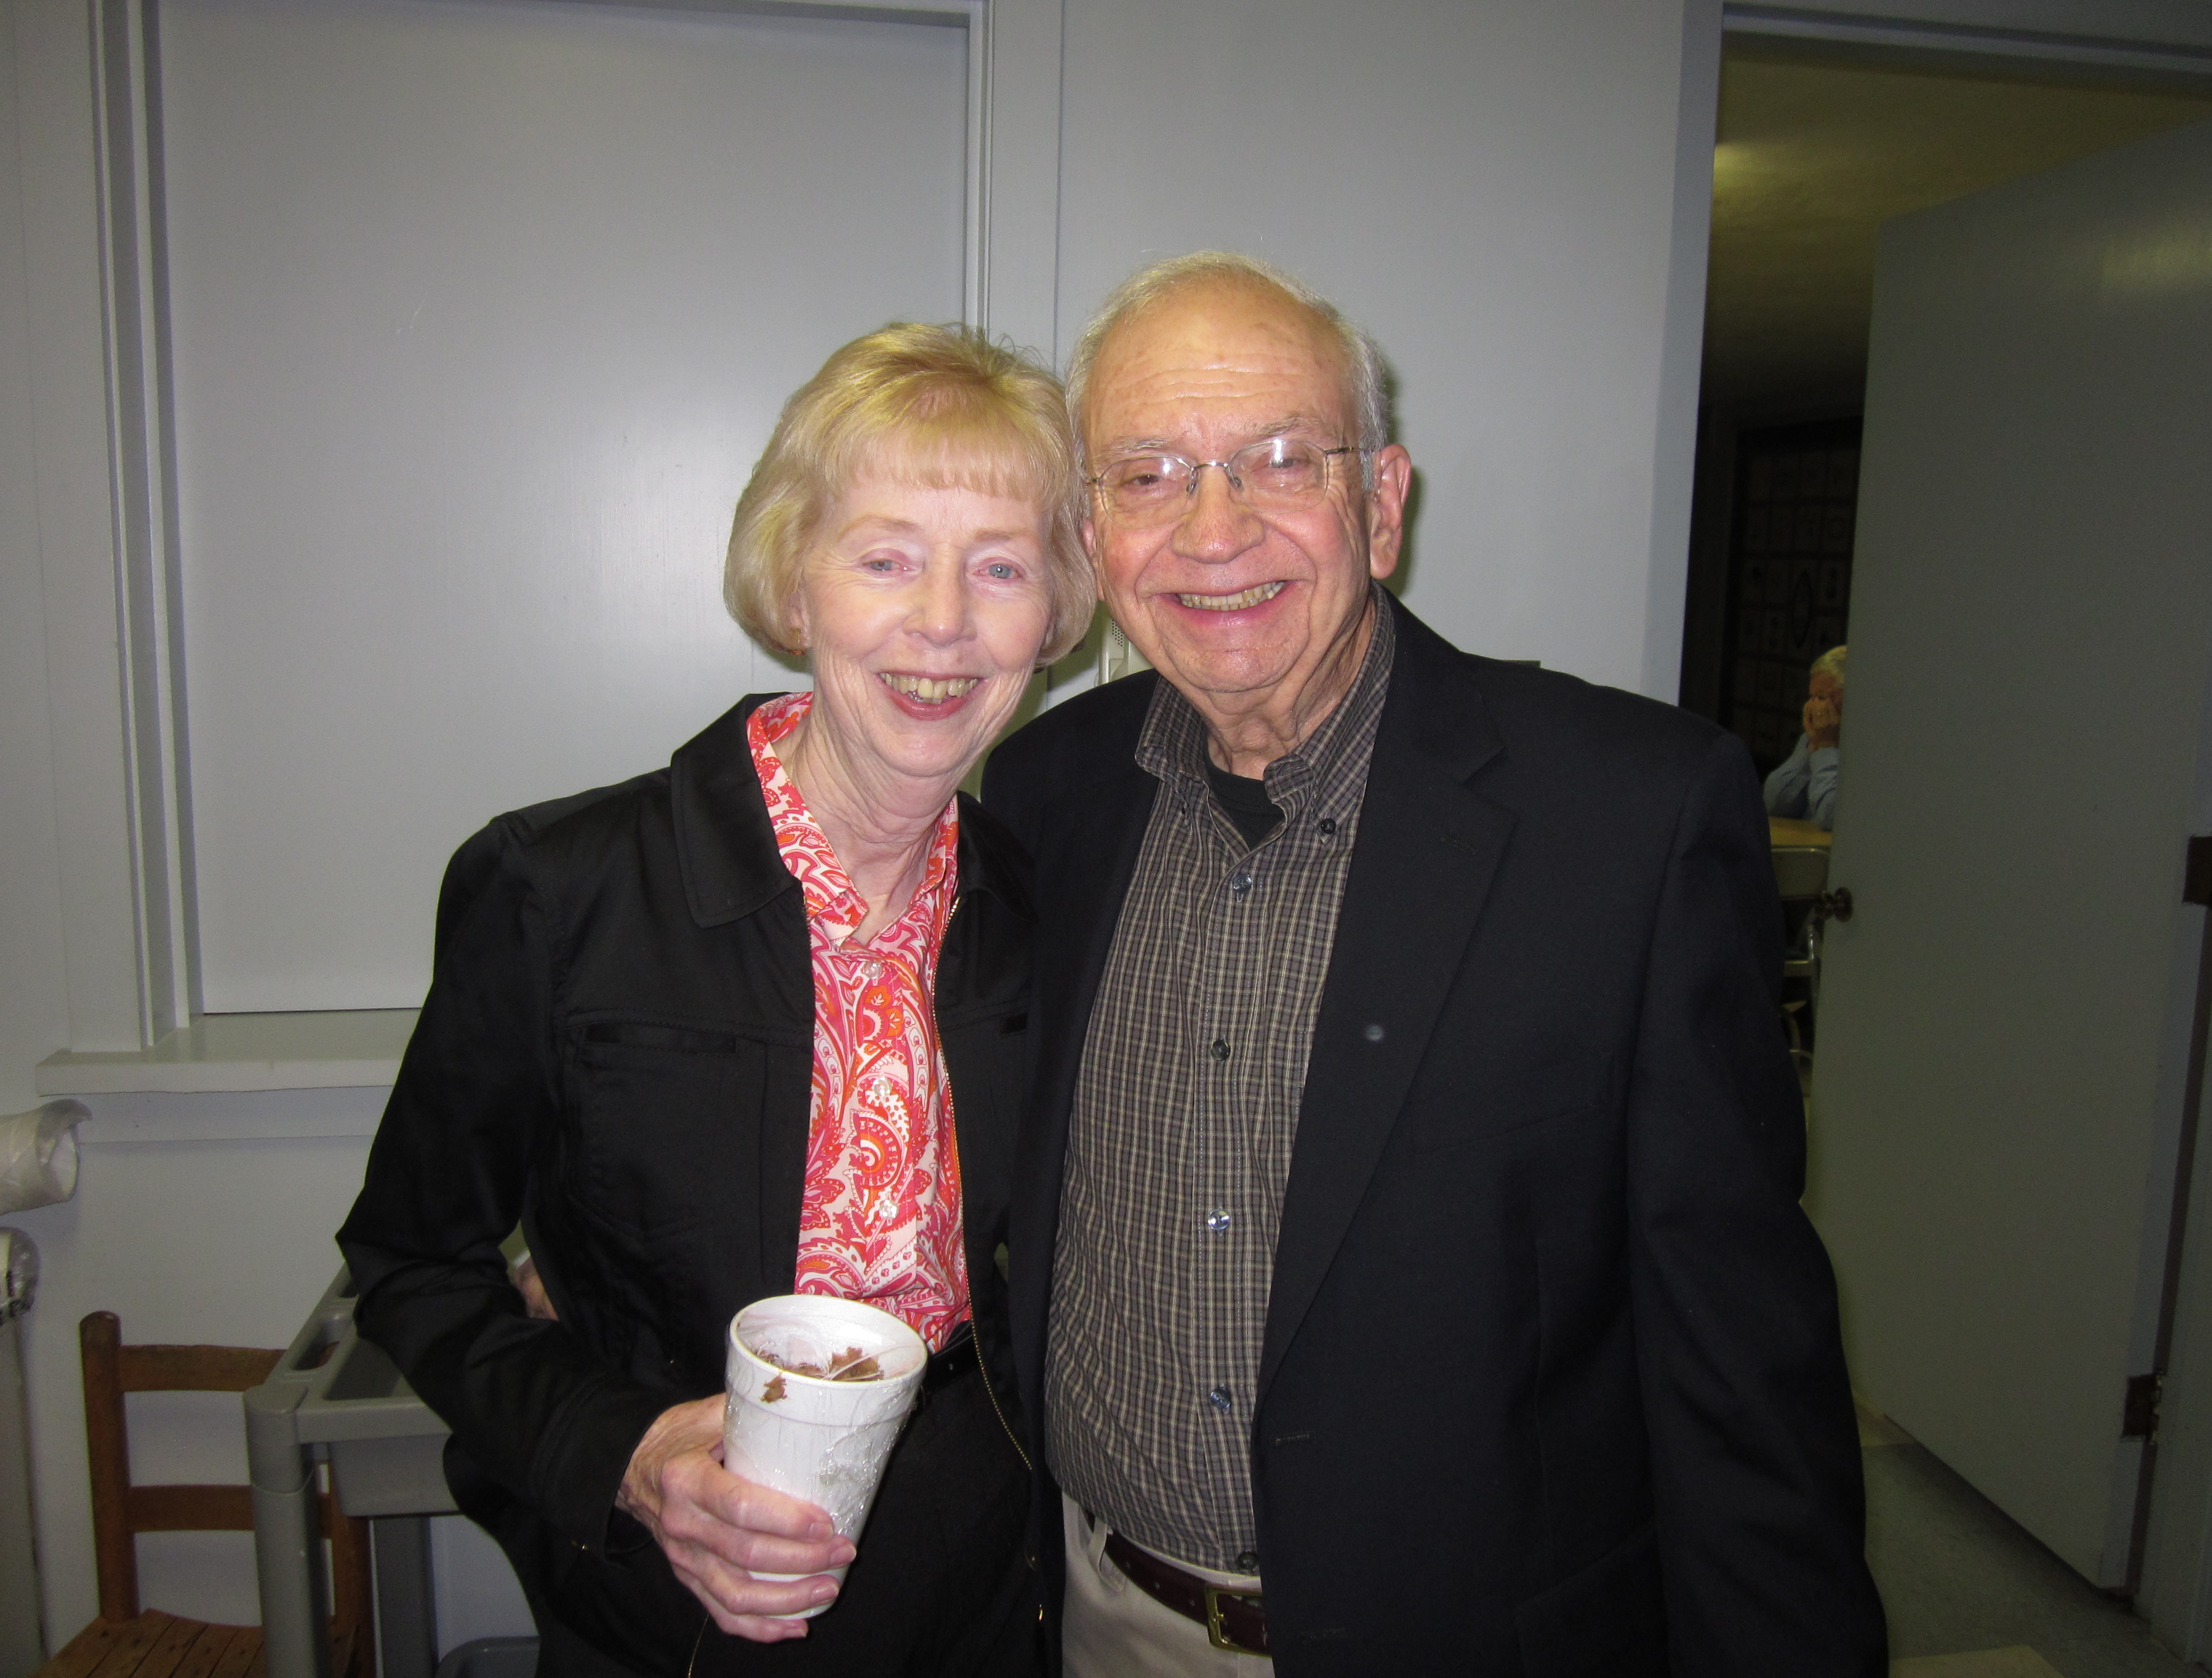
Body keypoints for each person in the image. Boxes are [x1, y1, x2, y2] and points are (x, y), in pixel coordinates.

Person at [981, 254, 1885, 1675]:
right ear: (1094, 539)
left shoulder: (1630, 818)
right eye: (1147, 475)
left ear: (1383, 506)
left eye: (1282, 459)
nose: (1213, 529)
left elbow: (1737, 1361)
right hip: (1103, 1619)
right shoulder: (1045, 793)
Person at [338, 323, 1096, 1676]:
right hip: (672, 1610)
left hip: (983, 1596)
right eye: (885, 558)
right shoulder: (561, 889)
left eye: (999, 567)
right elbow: (410, 1262)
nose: (943, 620)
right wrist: (626, 1453)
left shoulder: (1044, 908)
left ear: (1051, 616)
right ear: (794, 584)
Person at [1765, 644, 1845, 828]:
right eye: (1812, 697)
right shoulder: (1818, 736)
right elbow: (1776, 804)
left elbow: (1832, 816)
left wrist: (1826, 747)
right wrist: (1814, 746)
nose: (1812, 708)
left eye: (1822, 698)